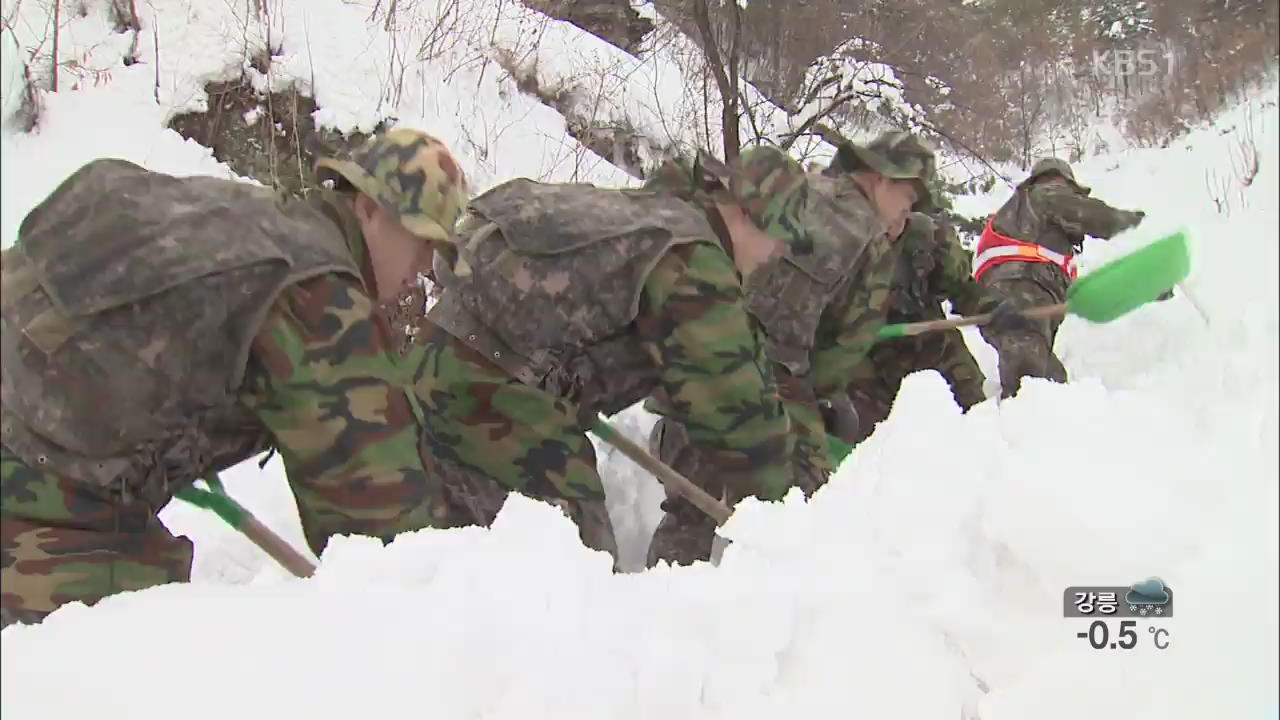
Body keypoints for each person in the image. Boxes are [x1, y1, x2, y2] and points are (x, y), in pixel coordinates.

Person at [0, 127, 468, 628]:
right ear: (368, 209)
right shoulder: (320, 293)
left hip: (28, 409)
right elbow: (384, 520)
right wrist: (461, 591)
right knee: (134, 643)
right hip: (36, 464)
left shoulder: (258, 221)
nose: (421, 266)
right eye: (420, 240)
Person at [401, 158, 798, 567]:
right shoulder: (695, 262)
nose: (777, 257)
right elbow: (739, 419)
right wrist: (794, 518)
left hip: (438, 360)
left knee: (447, 559)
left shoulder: (658, 217)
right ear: (750, 216)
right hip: (498, 399)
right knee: (575, 574)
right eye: (783, 242)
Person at [643, 131, 946, 567]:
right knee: (807, 513)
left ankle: (658, 605)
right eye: (908, 194)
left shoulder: (798, 189)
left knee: (690, 511)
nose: (908, 209)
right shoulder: (870, 242)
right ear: (881, 178)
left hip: (688, 362)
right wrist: (815, 400)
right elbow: (845, 347)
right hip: (763, 388)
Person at [974, 158, 1146, 398]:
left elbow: (1095, 293)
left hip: (1011, 302)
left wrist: (1146, 286)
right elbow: (1087, 213)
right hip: (1019, 296)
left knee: (1052, 386)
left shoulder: (1046, 243)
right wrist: (1131, 223)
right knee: (1030, 390)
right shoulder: (1043, 193)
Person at [845, 211, 1000, 443]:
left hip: (934, 349)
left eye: (907, 197)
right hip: (861, 360)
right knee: (866, 445)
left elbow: (964, 290)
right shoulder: (835, 242)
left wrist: (995, 311)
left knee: (977, 427)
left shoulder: (928, 239)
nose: (898, 210)